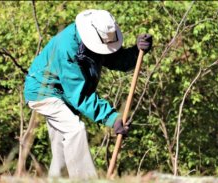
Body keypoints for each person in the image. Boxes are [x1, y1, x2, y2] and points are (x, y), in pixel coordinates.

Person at [24, 9, 152, 179]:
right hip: (43, 92)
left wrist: (136, 51)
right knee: (75, 131)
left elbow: (116, 59)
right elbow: (79, 94)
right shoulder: (67, 48)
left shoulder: (96, 39)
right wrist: (112, 118)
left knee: (62, 146)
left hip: (64, 94)